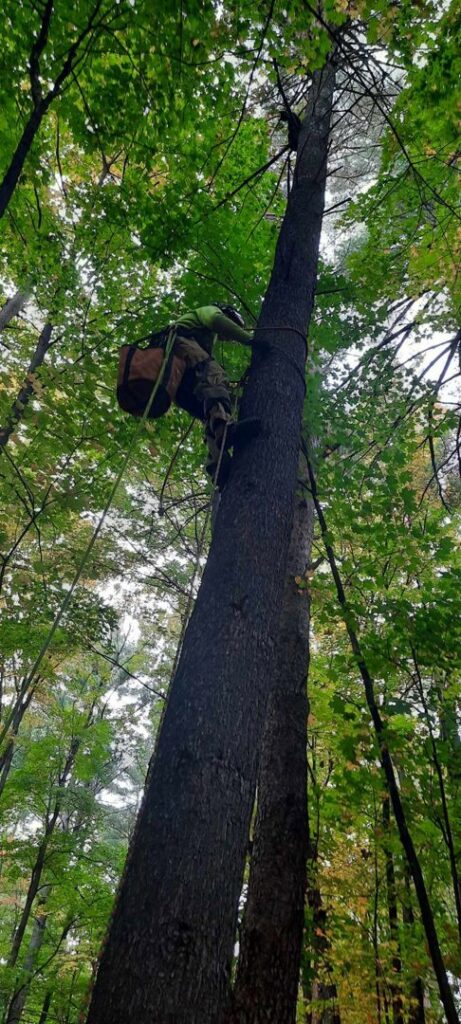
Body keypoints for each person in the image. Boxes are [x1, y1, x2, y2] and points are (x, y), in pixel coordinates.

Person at [171, 303, 259, 484]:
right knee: (214, 374)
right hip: (179, 346)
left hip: (178, 382)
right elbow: (214, 320)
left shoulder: (205, 339)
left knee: (207, 413)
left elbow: (213, 391)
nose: (229, 337)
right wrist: (250, 340)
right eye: (232, 325)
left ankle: (219, 466)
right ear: (228, 315)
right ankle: (224, 430)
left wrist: (238, 399)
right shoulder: (209, 310)